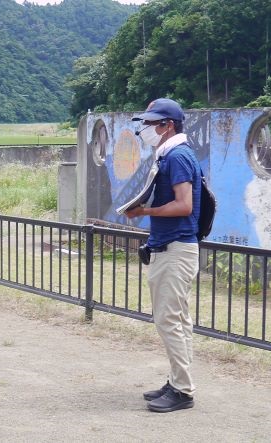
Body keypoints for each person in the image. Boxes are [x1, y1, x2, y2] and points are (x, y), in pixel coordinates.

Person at [125, 98, 201, 413]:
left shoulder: (177, 156)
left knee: (170, 320)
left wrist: (144, 210)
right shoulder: (170, 153)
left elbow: (184, 205)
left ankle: (182, 390)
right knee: (176, 319)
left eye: (150, 123)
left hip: (176, 249)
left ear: (166, 125)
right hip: (169, 247)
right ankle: (177, 381)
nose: (145, 129)